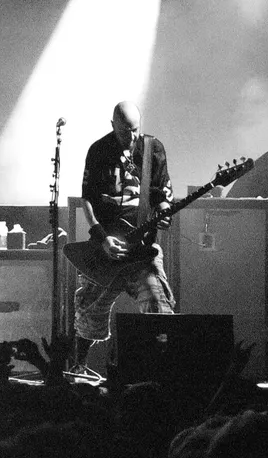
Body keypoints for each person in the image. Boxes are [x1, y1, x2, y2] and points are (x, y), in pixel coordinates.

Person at [72, 101, 174, 371]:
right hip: (106, 248)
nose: (130, 136)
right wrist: (101, 236)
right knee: (89, 310)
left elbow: (162, 193)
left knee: (158, 305)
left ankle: (162, 371)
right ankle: (78, 368)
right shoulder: (99, 150)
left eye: (135, 130)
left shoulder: (153, 149)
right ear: (112, 125)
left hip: (142, 250)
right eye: (123, 131)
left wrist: (165, 211)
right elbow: (87, 198)